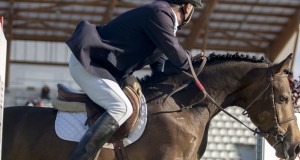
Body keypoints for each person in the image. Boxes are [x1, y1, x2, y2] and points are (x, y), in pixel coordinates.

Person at [66, 0, 202, 159]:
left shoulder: (164, 18)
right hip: (89, 63)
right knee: (121, 107)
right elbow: (178, 57)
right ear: (187, 7)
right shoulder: (161, 13)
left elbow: (160, 62)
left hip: (103, 67)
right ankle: (81, 157)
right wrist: (197, 65)